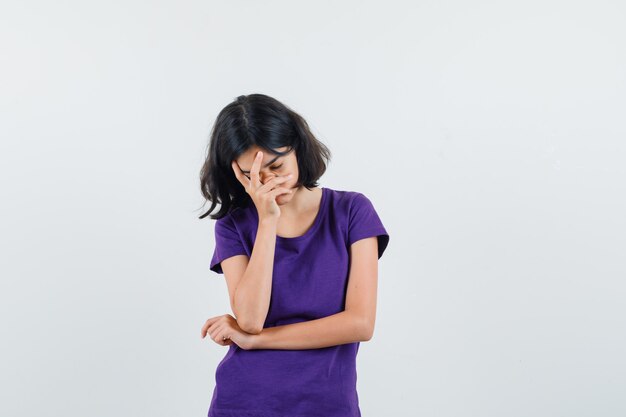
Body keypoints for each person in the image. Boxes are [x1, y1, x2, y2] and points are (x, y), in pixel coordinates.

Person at [198, 93, 390, 417]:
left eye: (276, 166)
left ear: (297, 149)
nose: (268, 182)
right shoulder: (233, 227)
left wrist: (258, 341)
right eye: (251, 175)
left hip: (328, 404)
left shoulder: (352, 212)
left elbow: (360, 324)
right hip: (244, 402)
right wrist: (268, 221)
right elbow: (250, 320)